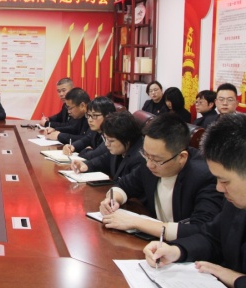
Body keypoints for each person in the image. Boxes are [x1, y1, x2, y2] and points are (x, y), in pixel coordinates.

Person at [143, 113, 246, 288]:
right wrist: (176, 250)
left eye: (225, 181)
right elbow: (212, 237)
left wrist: (236, 279)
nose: (219, 188)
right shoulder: (236, 203)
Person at [100, 112, 223, 240]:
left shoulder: (205, 176)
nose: (149, 164)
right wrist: (113, 199)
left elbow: (200, 229)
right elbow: (124, 185)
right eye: (146, 154)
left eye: (157, 160)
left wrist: (137, 222)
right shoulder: (151, 160)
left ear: (182, 157)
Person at [70, 111, 144, 180]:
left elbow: (128, 185)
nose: (106, 144)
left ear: (127, 139)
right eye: (105, 139)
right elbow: (103, 160)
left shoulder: (139, 159)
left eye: (111, 141)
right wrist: (86, 165)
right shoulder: (120, 148)